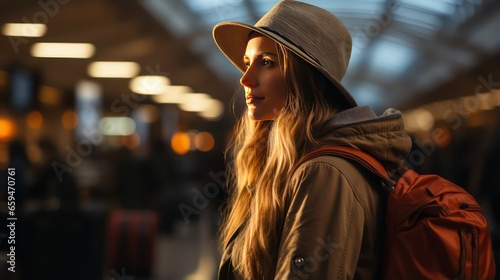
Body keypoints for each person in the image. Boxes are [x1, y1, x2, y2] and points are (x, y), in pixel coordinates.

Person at [212, 1, 412, 279]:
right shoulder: (290, 163)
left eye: (267, 62)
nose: (246, 79)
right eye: (247, 63)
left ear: (307, 79)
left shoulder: (324, 172)